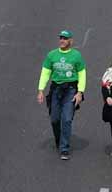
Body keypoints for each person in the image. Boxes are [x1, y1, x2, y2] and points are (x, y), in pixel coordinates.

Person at [35, 30, 86, 160]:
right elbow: (45, 72)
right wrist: (41, 90)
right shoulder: (52, 55)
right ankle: (59, 140)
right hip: (56, 90)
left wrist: (80, 92)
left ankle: (64, 148)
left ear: (70, 41)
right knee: (55, 119)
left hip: (70, 90)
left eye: (65, 38)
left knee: (67, 119)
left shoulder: (76, 56)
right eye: (61, 38)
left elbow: (82, 74)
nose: (62, 40)